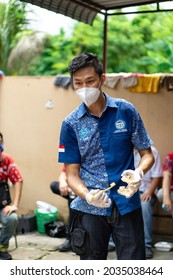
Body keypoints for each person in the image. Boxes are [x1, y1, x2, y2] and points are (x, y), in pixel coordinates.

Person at [58, 52, 154, 260]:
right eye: (78, 83)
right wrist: (87, 195)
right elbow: (71, 173)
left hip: (127, 203)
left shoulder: (126, 111)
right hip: (90, 208)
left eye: (90, 81)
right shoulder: (70, 124)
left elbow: (147, 154)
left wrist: (139, 172)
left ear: (102, 79)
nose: (84, 88)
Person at [134, 146, 162, 259]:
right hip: (128, 192)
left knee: (144, 205)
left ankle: (145, 245)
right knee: (114, 202)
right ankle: (112, 241)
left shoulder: (152, 151)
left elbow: (156, 177)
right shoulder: (123, 149)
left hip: (146, 191)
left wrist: (148, 193)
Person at [0, 132, 23, 260]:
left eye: (0, 142)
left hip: (2, 206)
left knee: (12, 219)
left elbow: (18, 180)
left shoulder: (6, 160)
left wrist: (14, 205)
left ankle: (2, 247)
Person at [50, 165, 76, 252]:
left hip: (88, 190)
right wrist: (62, 182)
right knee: (54, 185)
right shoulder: (72, 157)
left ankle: (70, 240)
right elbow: (64, 173)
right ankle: (70, 240)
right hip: (73, 190)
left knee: (72, 201)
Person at [157, 152, 173, 217]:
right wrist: (166, 198)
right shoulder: (170, 157)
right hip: (171, 191)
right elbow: (167, 176)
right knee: (161, 194)